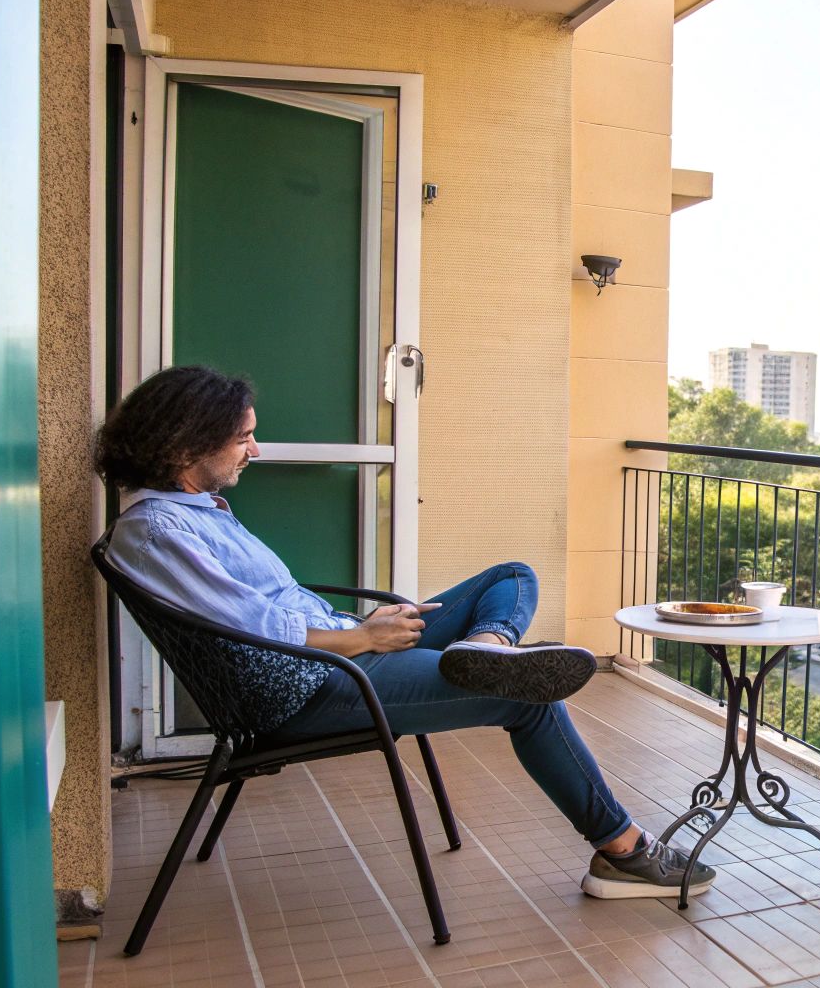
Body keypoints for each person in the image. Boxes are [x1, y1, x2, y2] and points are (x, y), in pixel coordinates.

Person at [95, 365, 712, 899]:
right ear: (183, 449)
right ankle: (624, 852)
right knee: (530, 700)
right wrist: (364, 639)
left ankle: (486, 647)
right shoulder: (157, 532)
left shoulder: (196, 512)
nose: (252, 452)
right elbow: (257, 627)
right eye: (243, 438)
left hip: (336, 651)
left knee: (511, 576)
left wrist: (365, 626)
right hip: (313, 685)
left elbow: (269, 611)